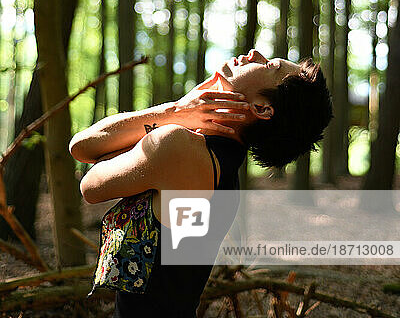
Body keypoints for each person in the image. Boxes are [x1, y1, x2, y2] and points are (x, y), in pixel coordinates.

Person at [69, 49, 333, 317]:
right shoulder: (218, 164)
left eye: (270, 66)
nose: (255, 54)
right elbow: (87, 150)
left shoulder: (180, 148)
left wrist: (175, 110)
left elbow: (87, 174)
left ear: (262, 108)